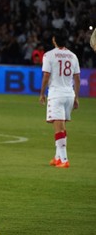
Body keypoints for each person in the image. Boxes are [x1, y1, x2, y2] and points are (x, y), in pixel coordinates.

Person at [39, 30, 80, 169]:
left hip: (56, 94)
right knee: (61, 126)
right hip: (69, 94)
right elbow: (77, 78)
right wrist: (77, 97)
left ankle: (64, 159)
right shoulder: (73, 56)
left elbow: (46, 75)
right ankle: (57, 157)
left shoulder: (49, 55)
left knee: (58, 128)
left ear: (54, 40)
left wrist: (42, 93)